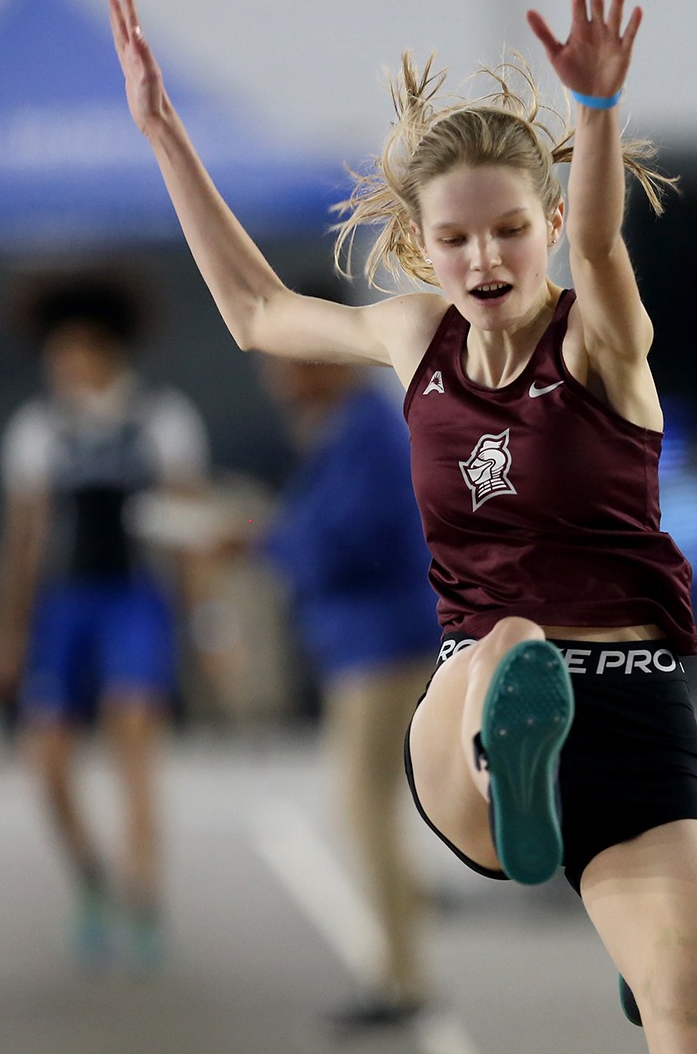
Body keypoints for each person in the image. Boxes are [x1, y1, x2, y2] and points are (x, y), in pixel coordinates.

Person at [109, 0, 697, 1047]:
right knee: (515, 644)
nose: (486, 260)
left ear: (549, 223)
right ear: (423, 251)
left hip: (640, 719)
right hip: (472, 712)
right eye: (456, 240)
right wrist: (164, 134)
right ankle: (509, 764)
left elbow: (607, 249)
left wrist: (595, 114)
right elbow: (255, 313)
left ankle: (641, 960)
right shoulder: (417, 337)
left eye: (512, 230)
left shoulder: (602, 346)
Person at [0, 273, 208, 973]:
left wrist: (205, 625)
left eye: (73, 351)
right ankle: (90, 878)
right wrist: (6, 631)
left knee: (134, 738)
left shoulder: (163, 420)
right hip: (64, 605)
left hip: (134, 600)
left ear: (103, 351)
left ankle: (143, 897)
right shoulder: (38, 429)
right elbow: (23, 543)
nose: (61, 366)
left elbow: (187, 534)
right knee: (46, 761)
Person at [256, 356, 442, 1027]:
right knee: (370, 811)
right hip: (367, 640)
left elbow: (352, 538)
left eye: (284, 363)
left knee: (366, 810)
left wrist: (264, 539)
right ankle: (400, 961)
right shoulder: (345, 427)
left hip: (386, 643)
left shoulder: (372, 429)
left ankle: (401, 977)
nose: (275, 381)